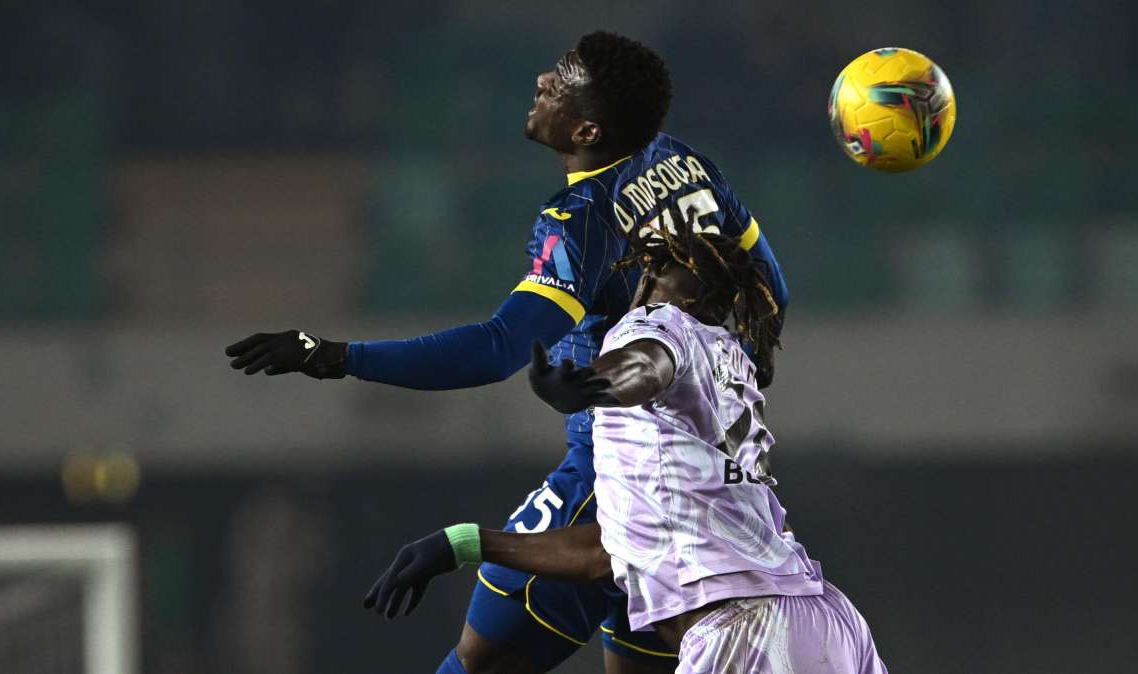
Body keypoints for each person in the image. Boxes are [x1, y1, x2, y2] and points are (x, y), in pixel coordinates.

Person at [225, 31, 789, 674]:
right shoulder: (688, 164)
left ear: (587, 131)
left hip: (607, 484)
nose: (542, 81)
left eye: (561, 80)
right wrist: (719, 391)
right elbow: (772, 290)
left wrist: (334, 356)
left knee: (479, 663)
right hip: (703, 499)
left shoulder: (583, 217)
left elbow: (496, 349)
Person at [363, 216, 887, 673]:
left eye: (656, 267)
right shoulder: (730, 367)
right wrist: (463, 543)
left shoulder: (660, 321)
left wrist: (593, 384)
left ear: (663, 281)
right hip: (830, 624)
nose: (645, 274)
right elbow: (608, 553)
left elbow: (646, 363)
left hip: (743, 635)